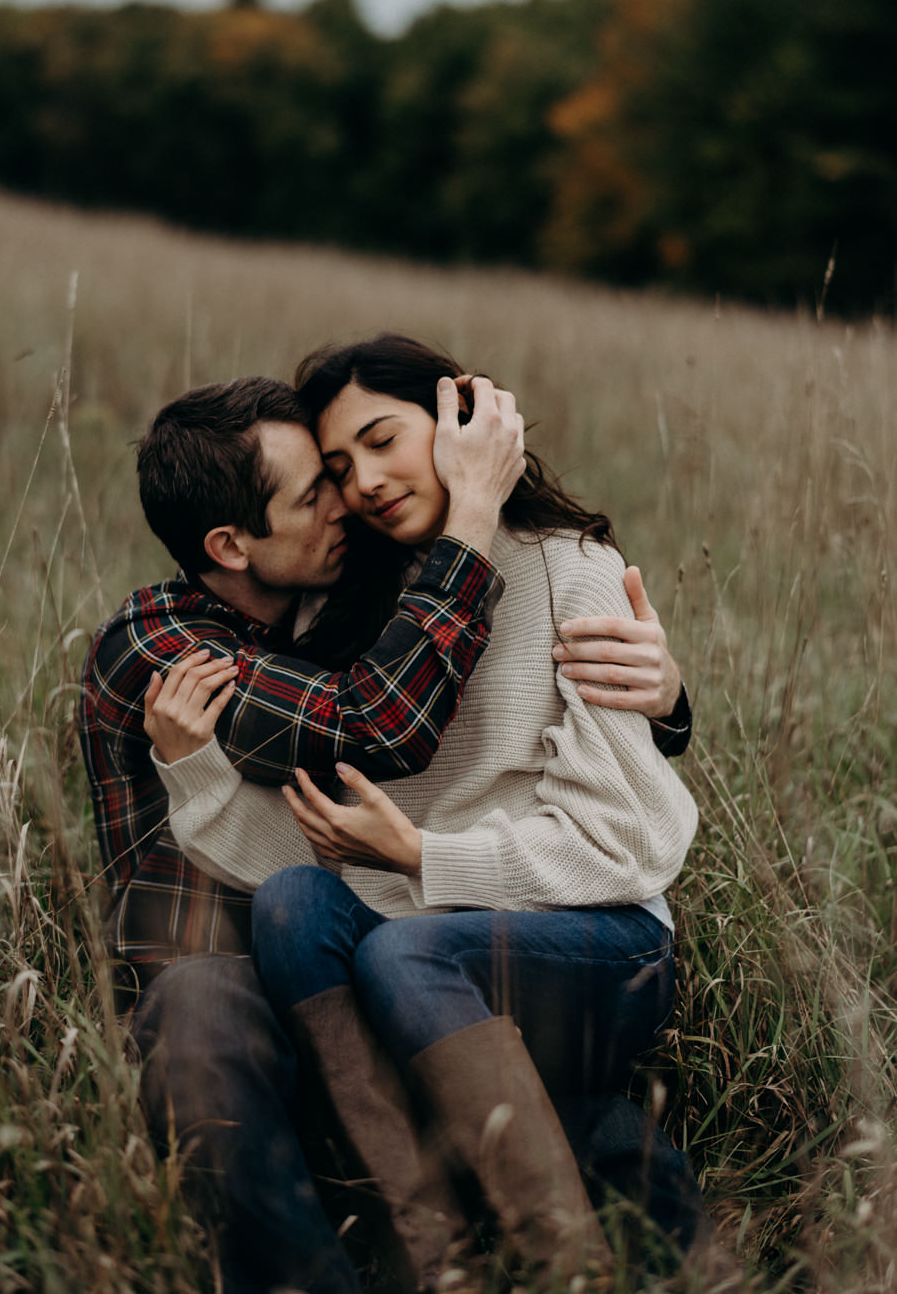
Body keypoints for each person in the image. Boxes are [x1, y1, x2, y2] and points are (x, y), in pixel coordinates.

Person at [80, 369, 692, 1294]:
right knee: (213, 1028)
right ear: (231, 546)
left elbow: (590, 785)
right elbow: (380, 729)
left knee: (418, 986)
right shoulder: (168, 650)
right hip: (225, 956)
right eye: (319, 482)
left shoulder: (348, 592)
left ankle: (570, 1250)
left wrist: (672, 701)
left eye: (369, 453)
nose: (348, 497)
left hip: (389, 927)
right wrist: (472, 519)